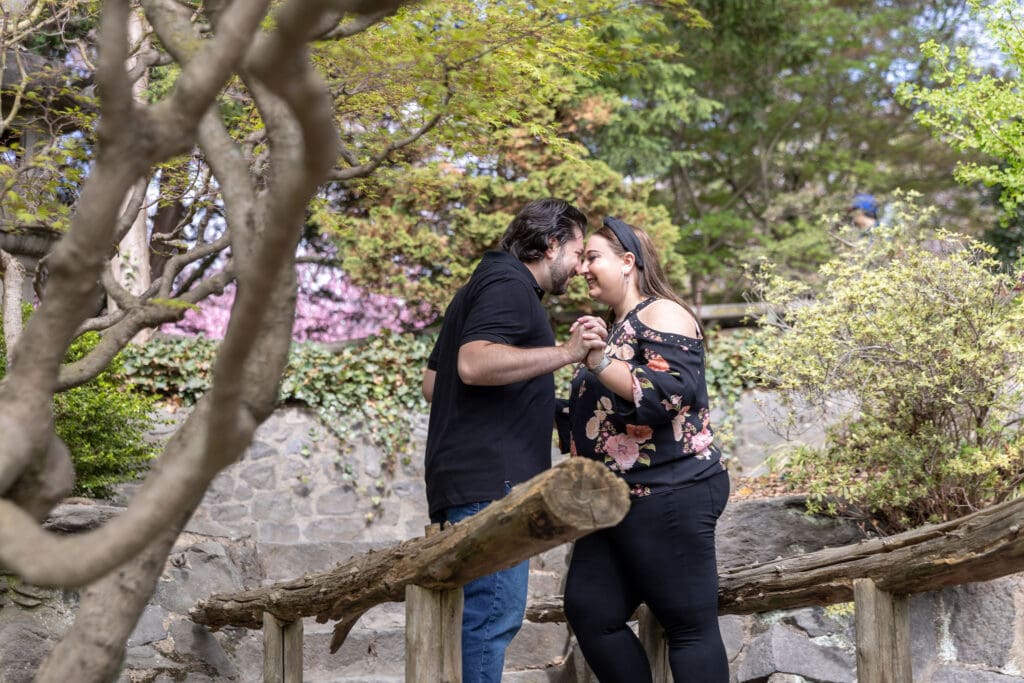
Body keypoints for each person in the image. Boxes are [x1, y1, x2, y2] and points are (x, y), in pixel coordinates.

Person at [421, 198, 606, 683]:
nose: (581, 264)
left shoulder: (480, 284)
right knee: (492, 619)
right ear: (551, 245)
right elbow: (473, 365)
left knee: (478, 620)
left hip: (460, 482)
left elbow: (434, 383)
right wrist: (567, 352)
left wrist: (539, 402)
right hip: (493, 485)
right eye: (578, 250)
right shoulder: (510, 286)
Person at [563, 216, 730, 682]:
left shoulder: (663, 313)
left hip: (672, 491)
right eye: (582, 260)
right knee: (590, 610)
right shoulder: (618, 328)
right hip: (615, 503)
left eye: (592, 257)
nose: (582, 269)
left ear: (628, 262)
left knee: (688, 626)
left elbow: (663, 396)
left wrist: (597, 359)